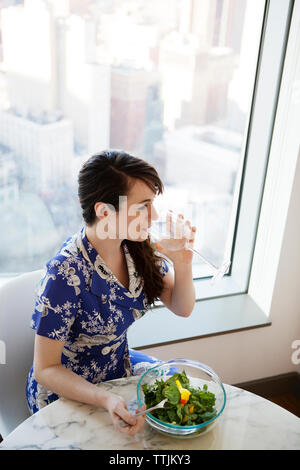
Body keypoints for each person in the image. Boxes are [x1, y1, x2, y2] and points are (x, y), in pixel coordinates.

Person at [26, 150, 196, 437]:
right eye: (142, 206)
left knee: (183, 397)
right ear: (105, 212)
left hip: (118, 368)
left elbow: (183, 308)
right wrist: (106, 399)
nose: (153, 215)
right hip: (66, 389)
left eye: (152, 203)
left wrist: (183, 263)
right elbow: (46, 369)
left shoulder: (135, 246)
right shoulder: (64, 275)